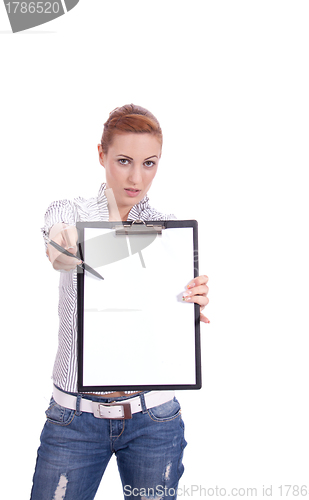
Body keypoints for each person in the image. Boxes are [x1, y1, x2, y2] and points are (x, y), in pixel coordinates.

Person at [30, 104, 209, 500]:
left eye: (149, 163)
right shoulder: (69, 211)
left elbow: (168, 322)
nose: (136, 177)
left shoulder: (168, 230)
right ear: (101, 155)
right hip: (73, 418)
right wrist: (72, 244)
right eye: (124, 160)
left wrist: (189, 304)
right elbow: (59, 252)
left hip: (154, 418)